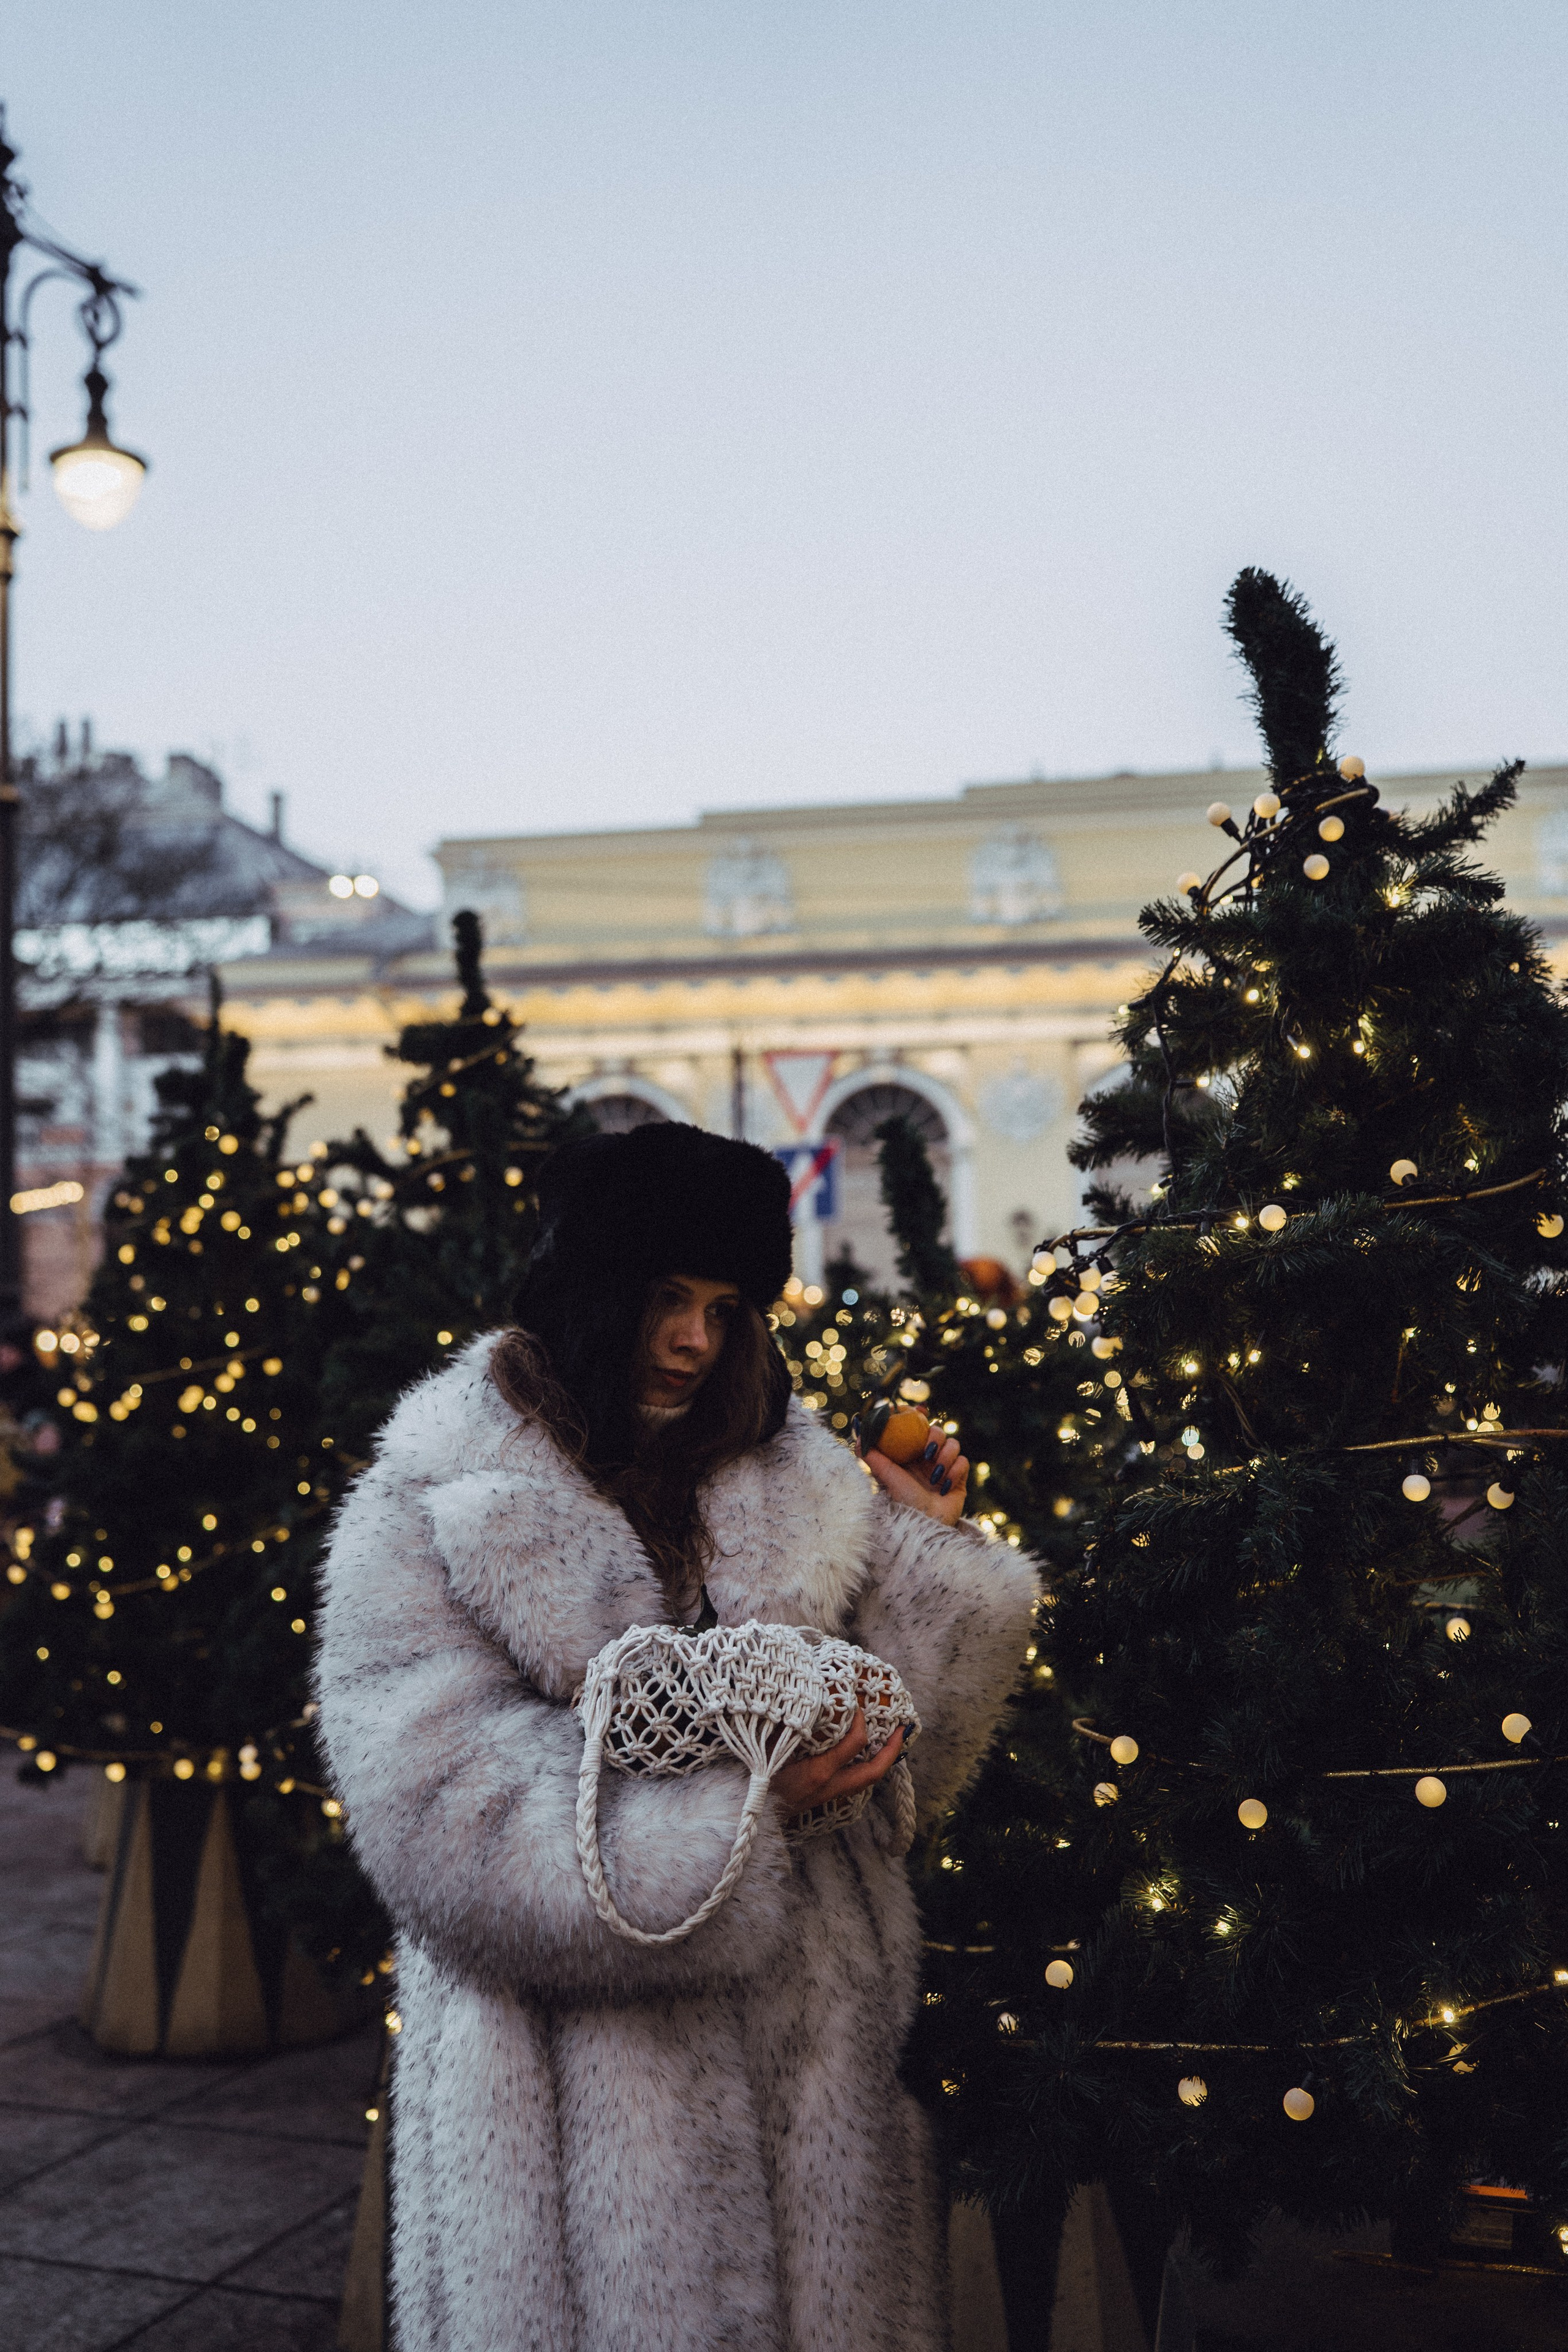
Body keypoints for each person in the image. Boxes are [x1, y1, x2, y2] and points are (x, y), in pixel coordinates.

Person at [316, 1121, 1038, 2352]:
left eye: (722, 1303)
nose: (694, 1340)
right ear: (590, 1288)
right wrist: (744, 1819)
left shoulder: (789, 1480)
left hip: (815, 2100)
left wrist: (926, 1554)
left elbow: (909, 1768)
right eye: (663, 1297)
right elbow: (440, 1824)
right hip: (573, 2130)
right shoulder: (435, 1504)